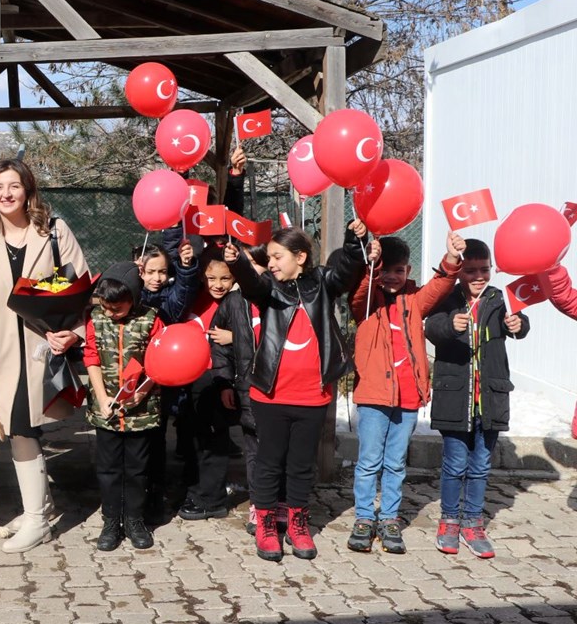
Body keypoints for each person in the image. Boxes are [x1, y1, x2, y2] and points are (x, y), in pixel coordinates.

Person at [223, 221, 375, 562]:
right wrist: (237, 263)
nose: (272, 263)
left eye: (278, 257)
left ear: (300, 257)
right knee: (269, 462)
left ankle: (298, 522)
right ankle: (265, 524)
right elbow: (251, 283)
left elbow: (347, 270)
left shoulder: (322, 282)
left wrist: (355, 238)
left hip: (312, 396)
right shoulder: (268, 289)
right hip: (271, 395)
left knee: (301, 465)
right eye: (270, 258)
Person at [0, 158, 89, 553]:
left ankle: (37, 519)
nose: (6, 194)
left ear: (28, 190)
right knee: (18, 426)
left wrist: (74, 334)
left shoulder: (55, 232)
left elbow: (81, 288)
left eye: (14, 186)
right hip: (2, 356)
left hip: (44, 351)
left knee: (22, 426)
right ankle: (40, 507)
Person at [347, 232, 465, 554]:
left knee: (396, 463)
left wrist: (452, 258)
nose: (392, 277)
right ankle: (362, 518)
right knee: (369, 461)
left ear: (408, 271)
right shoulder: (367, 300)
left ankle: (388, 518)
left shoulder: (414, 299)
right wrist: (370, 266)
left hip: (408, 396)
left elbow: (441, 285)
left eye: (398, 270)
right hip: (373, 397)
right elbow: (359, 293)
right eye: (386, 270)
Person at [425, 239, 529, 559]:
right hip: (456, 398)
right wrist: (449, 326)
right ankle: (449, 522)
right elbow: (431, 327)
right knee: (455, 464)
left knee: (481, 465)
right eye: (470, 270)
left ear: (491, 268)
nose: (478, 276)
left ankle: (473, 522)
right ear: (459, 273)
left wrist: (519, 324)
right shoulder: (447, 297)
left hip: (490, 398)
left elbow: (519, 327)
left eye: (484, 269)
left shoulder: (499, 298)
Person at [83, 262, 164, 551]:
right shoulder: (95, 319)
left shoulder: (151, 319)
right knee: (108, 469)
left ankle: (134, 520)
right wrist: (102, 397)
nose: (110, 313)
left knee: (137, 469)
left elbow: (161, 360)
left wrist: (143, 392)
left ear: (133, 298)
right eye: (105, 306)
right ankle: (110, 521)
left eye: (116, 308)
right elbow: (91, 357)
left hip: (140, 412)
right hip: (107, 412)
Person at [135, 231, 199, 523]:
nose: (157, 277)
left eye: (162, 271)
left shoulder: (168, 302)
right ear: (139, 270)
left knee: (160, 436)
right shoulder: (133, 295)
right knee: (141, 439)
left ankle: (158, 492)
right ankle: (139, 489)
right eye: (150, 272)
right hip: (135, 377)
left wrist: (186, 269)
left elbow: (182, 295)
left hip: (166, 378)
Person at [210, 244, 272, 535]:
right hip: (246, 387)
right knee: (254, 451)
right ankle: (258, 507)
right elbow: (216, 343)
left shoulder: (279, 297)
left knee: (277, 451)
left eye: (254, 265)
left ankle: (279, 503)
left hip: (279, 389)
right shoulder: (233, 303)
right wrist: (224, 382)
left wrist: (233, 337)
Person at [173, 250, 240, 522]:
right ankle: (195, 488)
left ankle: (211, 499)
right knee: (193, 439)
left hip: (219, 378)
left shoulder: (237, 301)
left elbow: (260, 332)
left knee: (213, 441)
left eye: (225, 278)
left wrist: (234, 336)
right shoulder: (193, 296)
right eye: (211, 277)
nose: (218, 284)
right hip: (189, 378)